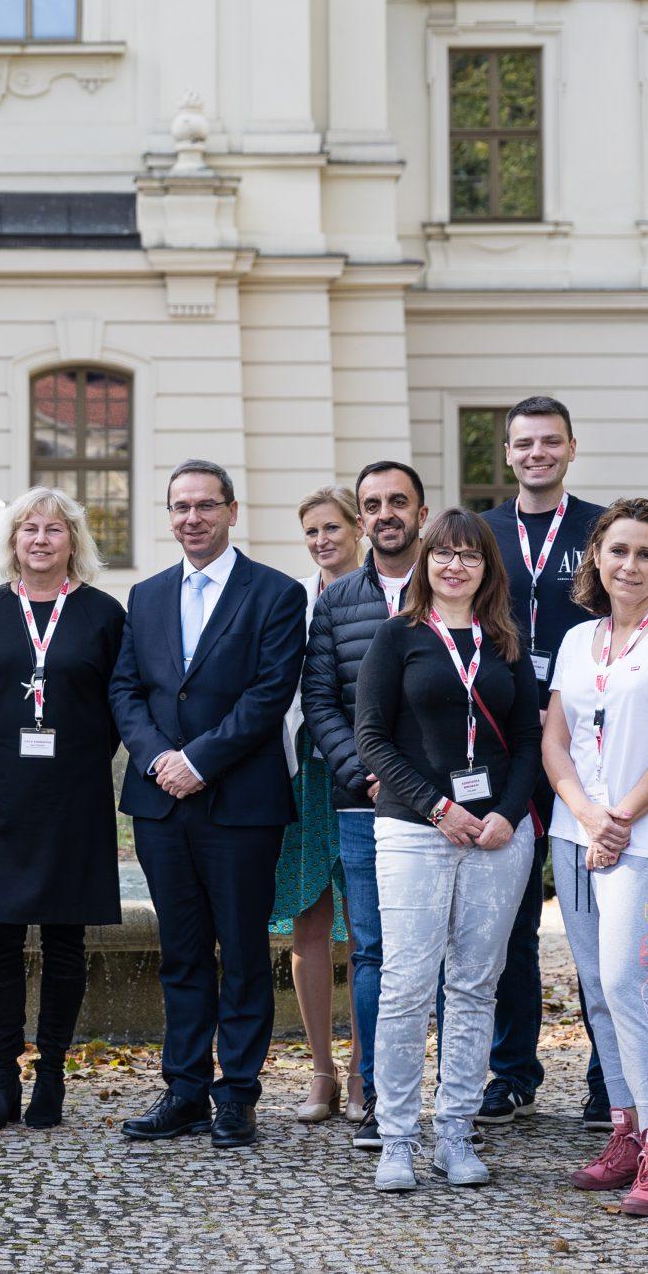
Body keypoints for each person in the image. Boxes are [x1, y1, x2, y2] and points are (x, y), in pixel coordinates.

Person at [111, 460, 307, 1147]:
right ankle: (185, 1090)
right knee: (182, 951)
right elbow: (125, 691)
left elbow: (268, 693)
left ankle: (238, 1095)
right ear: (168, 516)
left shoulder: (277, 594)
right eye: (180, 506)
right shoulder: (146, 595)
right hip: (160, 803)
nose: (192, 517)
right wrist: (159, 756)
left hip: (240, 804)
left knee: (246, 953)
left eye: (205, 505)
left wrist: (199, 760)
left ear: (231, 510)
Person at [355, 510, 541, 1192]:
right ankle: (398, 1138)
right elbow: (371, 738)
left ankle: (454, 1131)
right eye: (443, 554)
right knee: (407, 983)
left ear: (488, 568)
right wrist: (439, 807)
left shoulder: (504, 643)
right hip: (413, 829)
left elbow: (527, 742)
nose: (455, 565)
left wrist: (506, 815)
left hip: (497, 835)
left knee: (473, 983)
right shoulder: (395, 637)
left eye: (469, 555)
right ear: (426, 562)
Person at [544, 497, 648, 1217]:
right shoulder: (578, 639)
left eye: (646, 553)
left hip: (642, 837)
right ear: (597, 560)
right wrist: (586, 813)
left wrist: (619, 817)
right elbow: (555, 739)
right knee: (597, 990)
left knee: (630, 982)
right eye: (618, 550)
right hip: (573, 831)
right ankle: (623, 1130)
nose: (631, 564)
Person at [0, 486, 124, 1131]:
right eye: (28, 529)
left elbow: (119, 701)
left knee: (65, 940)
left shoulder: (103, 614)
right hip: (6, 792)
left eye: (54, 530)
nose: (39, 540)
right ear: (12, 541)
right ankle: (3, 1075)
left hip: (76, 794)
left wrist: (77, 756)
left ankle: (51, 1074)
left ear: (73, 541)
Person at [480, 396, 605, 1127]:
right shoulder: (482, 532)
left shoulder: (598, 528)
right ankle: (511, 1070)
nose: (536, 453)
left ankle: (604, 1074)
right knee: (508, 919)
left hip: (587, 744)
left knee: (598, 915)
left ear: (570, 447)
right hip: (504, 747)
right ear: (507, 452)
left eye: (549, 441)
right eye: (524, 442)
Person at [300, 459, 430, 1149]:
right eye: (373, 502)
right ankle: (379, 1096)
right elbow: (320, 699)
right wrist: (365, 770)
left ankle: (453, 1097)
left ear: (421, 511)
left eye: (397, 501)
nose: (385, 513)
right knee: (374, 950)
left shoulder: (454, 583)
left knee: (435, 954)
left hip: (439, 806)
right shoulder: (337, 600)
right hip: (362, 803)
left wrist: (421, 783)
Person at [274, 485, 359, 1126]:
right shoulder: (293, 600)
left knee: (368, 932)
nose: (322, 540)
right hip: (304, 773)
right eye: (311, 531)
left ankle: (366, 1071)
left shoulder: (390, 596)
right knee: (308, 925)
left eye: (332, 528)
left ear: (356, 529)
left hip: (367, 778)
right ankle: (322, 1072)